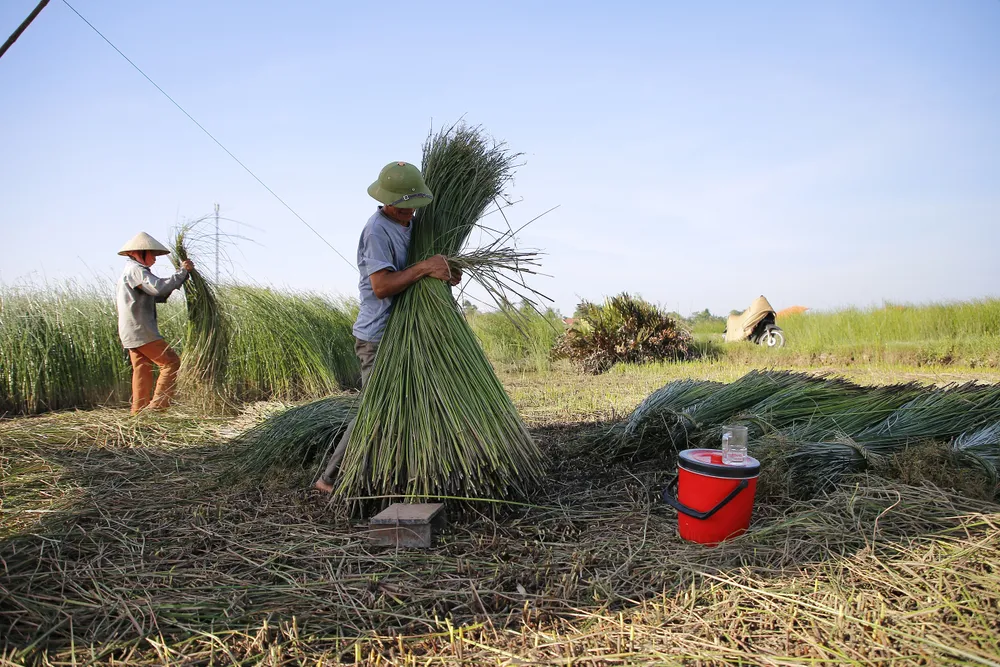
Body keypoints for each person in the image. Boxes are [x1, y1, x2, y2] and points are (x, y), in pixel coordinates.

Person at [314, 161, 460, 493]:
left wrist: (446, 273)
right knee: (376, 409)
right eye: (405, 206)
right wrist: (425, 267)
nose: (411, 212)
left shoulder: (415, 224)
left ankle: (404, 474)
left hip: (413, 330)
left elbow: (424, 272)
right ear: (389, 201)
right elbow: (381, 286)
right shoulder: (376, 231)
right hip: (379, 336)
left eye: (415, 205)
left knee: (417, 403)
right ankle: (330, 478)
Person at [115, 231, 194, 415]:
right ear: (139, 252)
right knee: (171, 363)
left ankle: (138, 412)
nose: (155, 259)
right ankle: (157, 409)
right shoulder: (136, 270)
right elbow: (158, 288)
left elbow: (157, 294)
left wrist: (180, 278)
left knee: (141, 368)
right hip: (141, 330)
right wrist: (183, 272)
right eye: (152, 254)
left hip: (130, 331)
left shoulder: (130, 271)